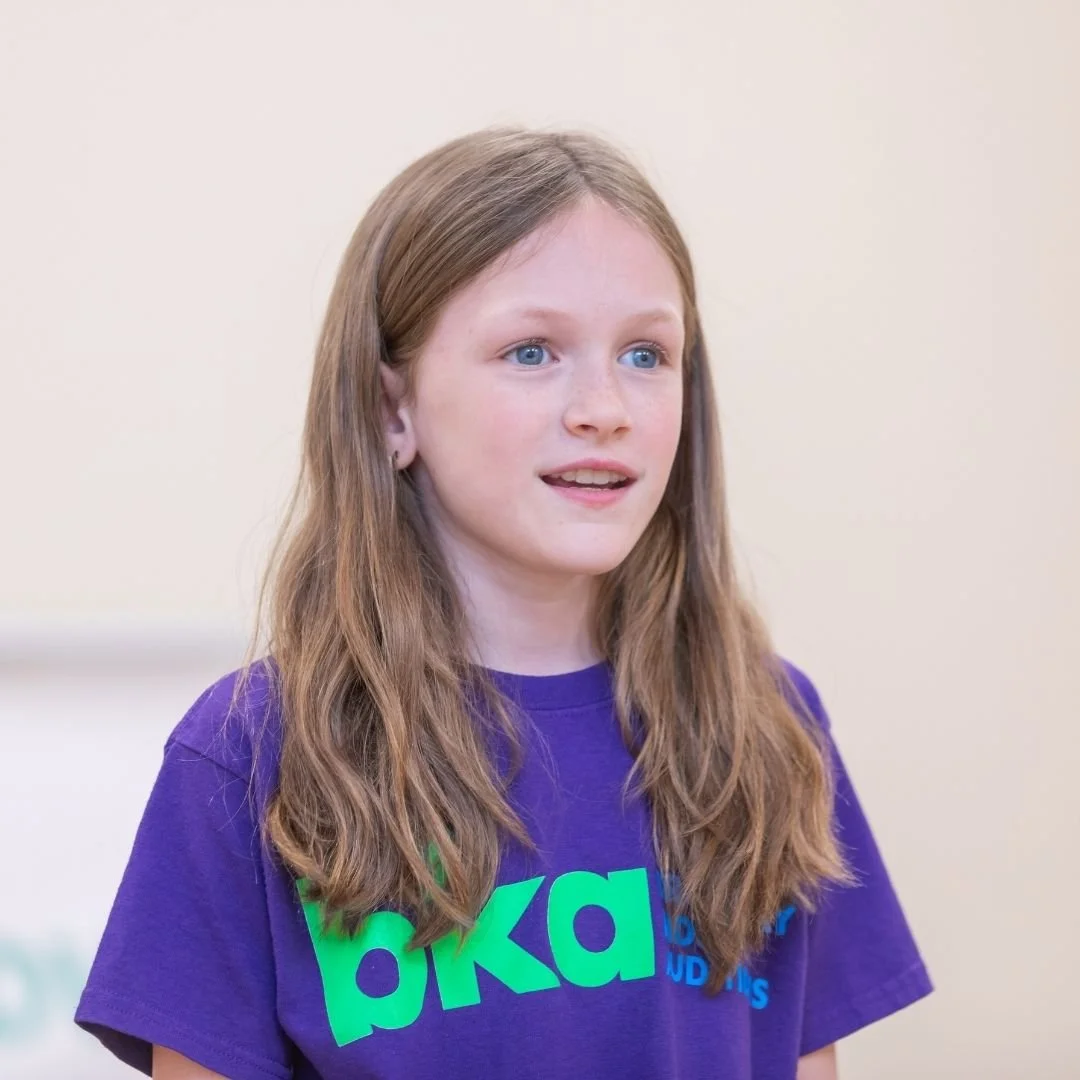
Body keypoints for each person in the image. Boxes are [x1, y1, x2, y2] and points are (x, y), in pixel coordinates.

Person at [74, 125, 932, 1079]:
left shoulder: (768, 726)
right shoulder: (251, 755)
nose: (604, 405)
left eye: (646, 354)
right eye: (532, 351)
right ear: (391, 411)